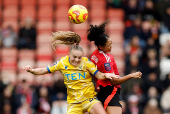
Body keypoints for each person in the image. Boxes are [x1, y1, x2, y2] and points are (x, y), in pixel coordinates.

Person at [23, 31, 120, 114]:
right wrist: (31, 70)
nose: (77, 60)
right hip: (74, 103)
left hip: (89, 100)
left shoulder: (86, 62)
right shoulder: (62, 63)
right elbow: (43, 70)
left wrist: (105, 75)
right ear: (69, 54)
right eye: (74, 57)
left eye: (79, 57)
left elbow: (98, 74)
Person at [87, 20, 142, 114]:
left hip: (100, 90)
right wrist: (131, 76)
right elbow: (113, 81)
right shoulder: (106, 60)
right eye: (109, 45)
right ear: (100, 46)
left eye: (111, 43)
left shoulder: (94, 54)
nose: (111, 46)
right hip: (110, 91)